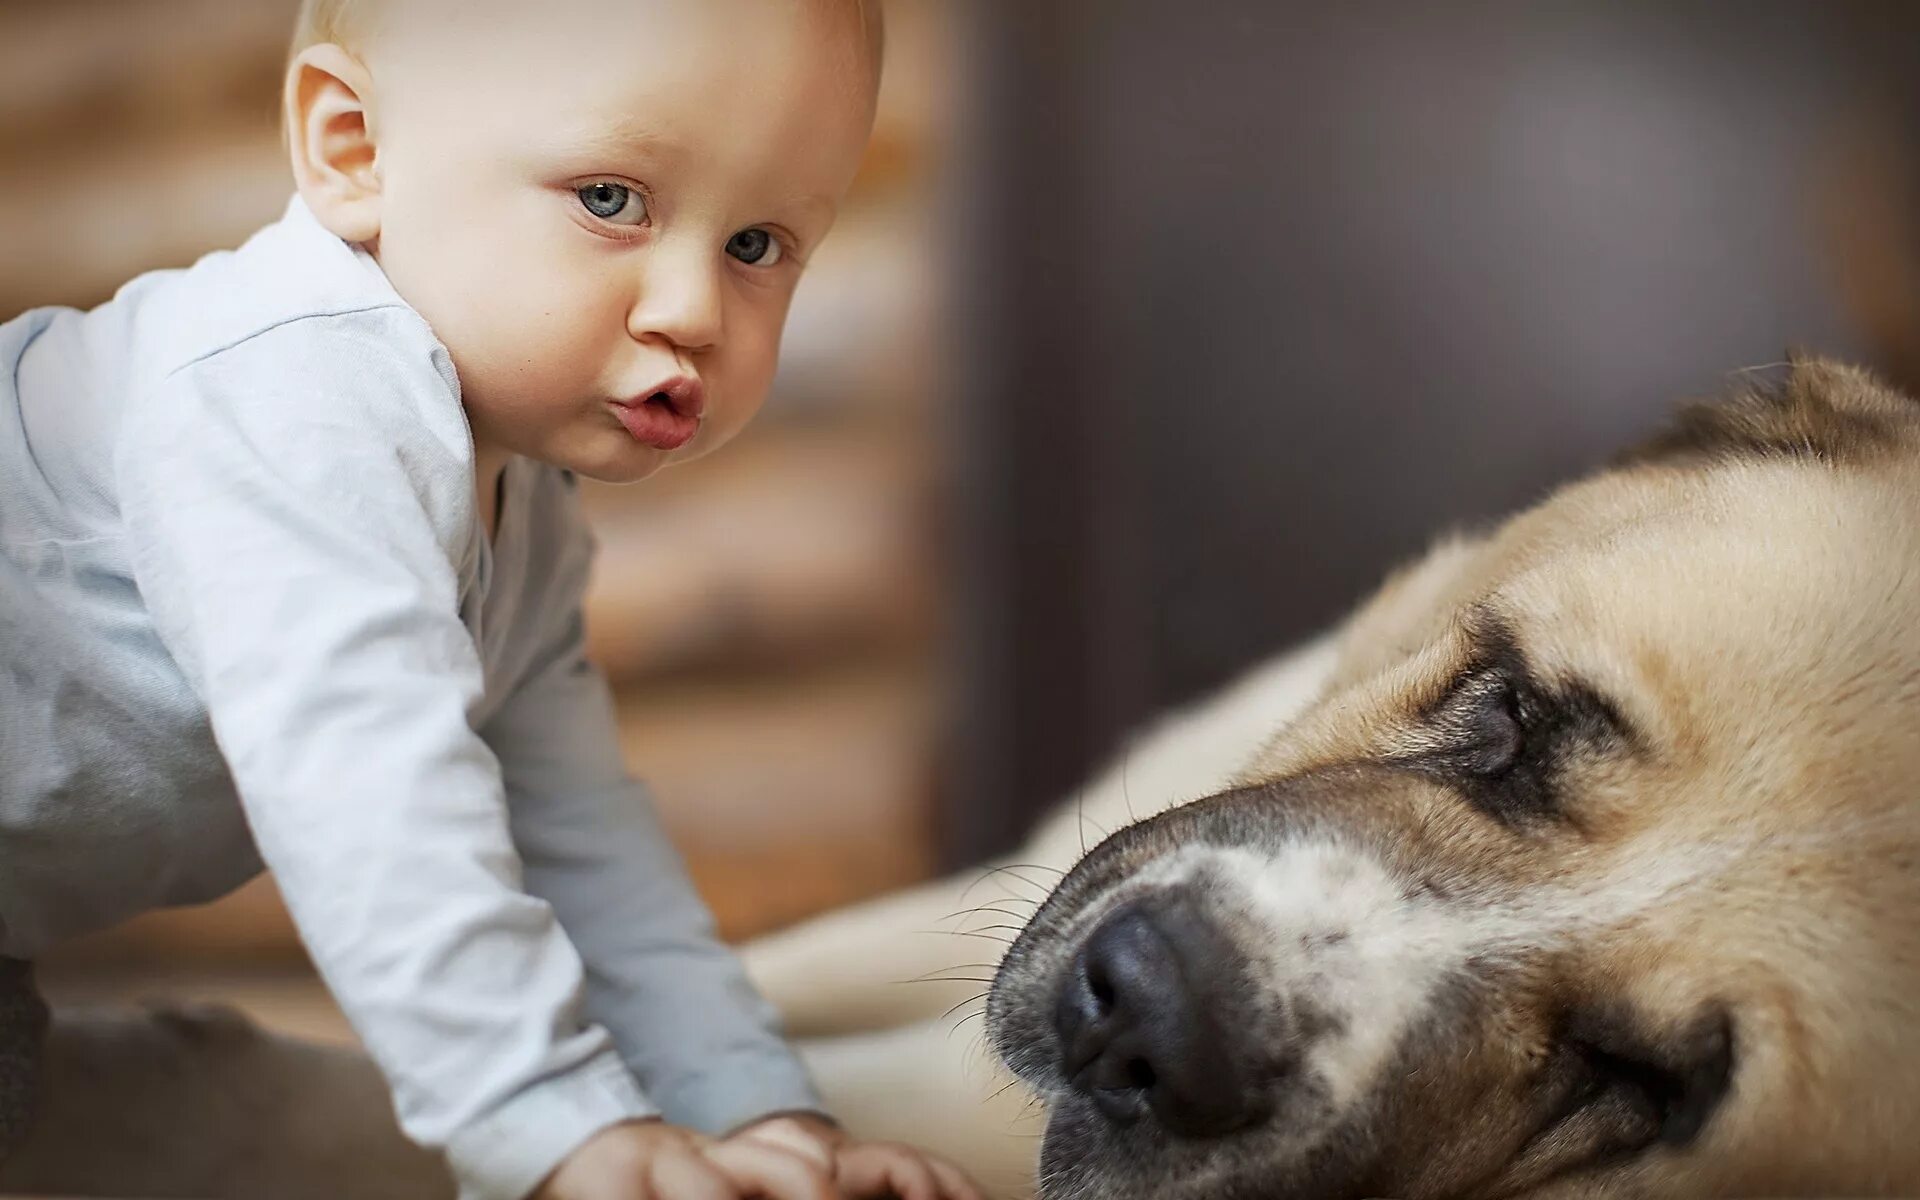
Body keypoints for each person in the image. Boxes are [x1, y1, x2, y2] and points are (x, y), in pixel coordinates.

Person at [0, 2, 981, 1197]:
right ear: (353, 147)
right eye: (612, 199)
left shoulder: (525, 514)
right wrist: (551, 1125)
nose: (693, 308)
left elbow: (578, 838)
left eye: (760, 244)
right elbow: (370, 784)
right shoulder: (292, 394)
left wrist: (760, 1117)